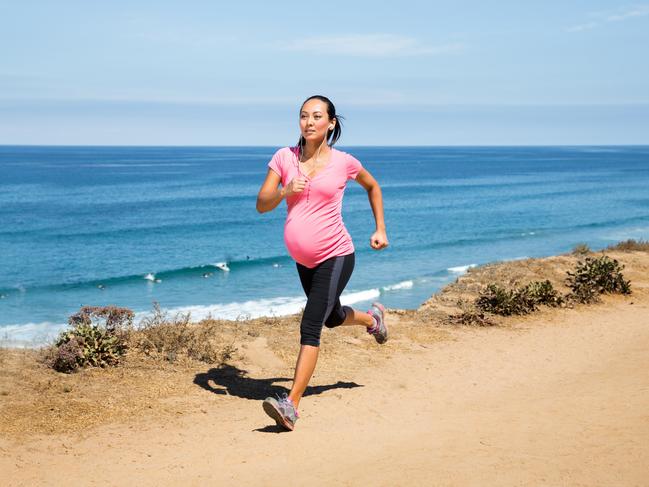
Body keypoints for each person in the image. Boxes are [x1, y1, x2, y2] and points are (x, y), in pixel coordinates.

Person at [256, 95, 389, 431]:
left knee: (311, 324)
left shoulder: (344, 162)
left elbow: (373, 186)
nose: (309, 122)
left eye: (317, 116)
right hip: (304, 260)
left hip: (336, 254)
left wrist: (380, 228)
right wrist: (286, 190)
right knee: (331, 317)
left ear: (331, 123)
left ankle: (291, 405)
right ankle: (373, 320)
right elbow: (262, 204)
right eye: (303, 116)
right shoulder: (284, 158)